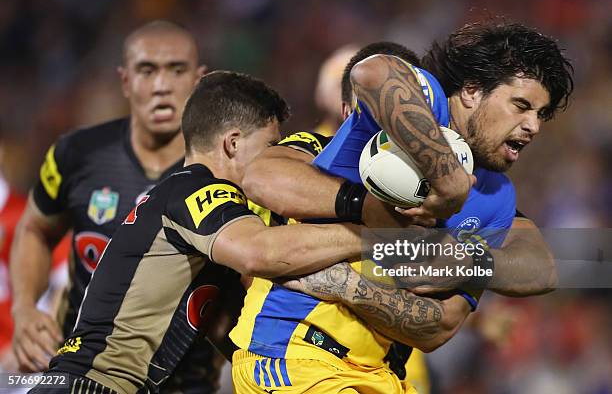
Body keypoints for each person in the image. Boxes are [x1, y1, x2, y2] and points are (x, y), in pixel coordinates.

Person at [231, 21, 573, 393]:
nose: (533, 126)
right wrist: (446, 180)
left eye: (541, 115)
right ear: (472, 90)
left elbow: (441, 326)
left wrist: (348, 286)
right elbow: (374, 71)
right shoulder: (418, 109)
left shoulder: (495, 196)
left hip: (385, 377)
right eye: (521, 106)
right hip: (294, 357)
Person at [27, 70, 375, 394]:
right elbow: (262, 251)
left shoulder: (202, 228)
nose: (276, 160)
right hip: (93, 384)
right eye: (271, 147)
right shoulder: (194, 190)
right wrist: (374, 234)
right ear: (232, 144)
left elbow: (233, 332)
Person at [8, 20, 226, 392]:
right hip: (83, 377)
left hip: (188, 382)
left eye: (176, 70)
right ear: (125, 81)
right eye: (147, 70)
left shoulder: (225, 171)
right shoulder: (76, 154)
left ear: (198, 79)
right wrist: (25, 308)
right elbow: (35, 229)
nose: (161, 86)